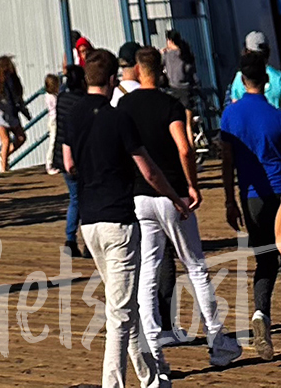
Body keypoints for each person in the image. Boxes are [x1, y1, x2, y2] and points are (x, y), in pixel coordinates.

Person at [61, 47, 188, 388]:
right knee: (119, 312)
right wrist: (176, 197)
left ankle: (149, 377)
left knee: (124, 303)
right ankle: (113, 384)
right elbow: (148, 172)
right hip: (118, 220)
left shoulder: (72, 116)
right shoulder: (118, 117)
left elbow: (69, 164)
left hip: (89, 224)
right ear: (114, 80)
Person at [121, 46, 241, 366]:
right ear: (159, 70)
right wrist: (192, 186)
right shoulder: (170, 104)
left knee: (148, 271)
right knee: (196, 266)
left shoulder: (124, 105)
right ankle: (218, 342)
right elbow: (185, 148)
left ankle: (153, 351)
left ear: (136, 70)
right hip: (173, 194)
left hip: (139, 196)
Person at [220, 48, 281, 359]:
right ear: (266, 81)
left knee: (266, 261)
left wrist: (229, 200)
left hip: (252, 197)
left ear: (243, 81)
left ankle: (260, 315)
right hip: (279, 192)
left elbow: (227, 161)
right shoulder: (276, 116)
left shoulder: (230, 116)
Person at [56, 60, 90, 254]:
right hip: (79, 156)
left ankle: (70, 239)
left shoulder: (62, 99)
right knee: (84, 199)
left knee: (74, 198)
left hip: (62, 155)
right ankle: (87, 243)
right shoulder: (82, 102)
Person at [0, 55, 29, 173]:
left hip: (11, 113)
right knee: (5, 140)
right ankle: (3, 169)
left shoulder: (14, 80)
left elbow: (18, 96)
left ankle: (4, 156)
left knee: (21, 137)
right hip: (0, 115)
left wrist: (23, 109)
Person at [229, 32, 281, 110]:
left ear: (246, 51)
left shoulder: (239, 78)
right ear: (268, 52)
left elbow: (234, 108)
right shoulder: (278, 78)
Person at [162, 31, 195, 109]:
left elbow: (159, 64)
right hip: (186, 88)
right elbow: (190, 69)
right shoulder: (185, 53)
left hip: (173, 87)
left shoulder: (167, 56)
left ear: (170, 41)